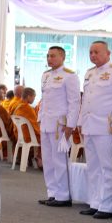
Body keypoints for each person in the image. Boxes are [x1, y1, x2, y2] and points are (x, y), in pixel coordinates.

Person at [76, 41, 112, 220]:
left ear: (108, 53)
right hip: (89, 126)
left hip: (107, 127)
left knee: (108, 167)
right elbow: (85, 100)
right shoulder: (89, 73)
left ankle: (107, 206)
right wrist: (80, 123)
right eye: (91, 52)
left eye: (97, 52)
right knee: (93, 167)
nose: (93, 55)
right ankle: (95, 202)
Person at [36, 46, 80, 207]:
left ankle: (63, 195)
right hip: (46, 123)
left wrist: (70, 125)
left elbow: (74, 103)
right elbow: (44, 100)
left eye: (53, 56)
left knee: (60, 160)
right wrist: (40, 118)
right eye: (48, 56)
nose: (49, 59)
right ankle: (52, 193)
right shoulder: (46, 75)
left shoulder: (69, 76)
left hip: (59, 125)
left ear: (62, 57)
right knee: (48, 160)